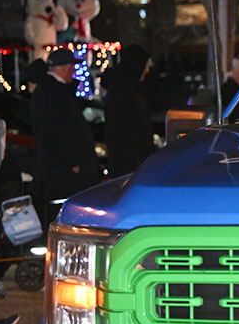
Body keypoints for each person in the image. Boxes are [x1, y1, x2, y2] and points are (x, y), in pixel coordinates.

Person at [30, 48, 102, 220]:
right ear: (65, 68)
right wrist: (71, 163)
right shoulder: (51, 93)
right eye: (72, 67)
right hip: (66, 171)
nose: (74, 72)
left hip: (67, 168)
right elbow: (52, 133)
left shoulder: (53, 91)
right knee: (69, 213)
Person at [101, 44, 155, 177]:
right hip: (129, 167)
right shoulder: (123, 93)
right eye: (146, 65)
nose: (147, 70)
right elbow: (130, 132)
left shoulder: (126, 90)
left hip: (131, 165)